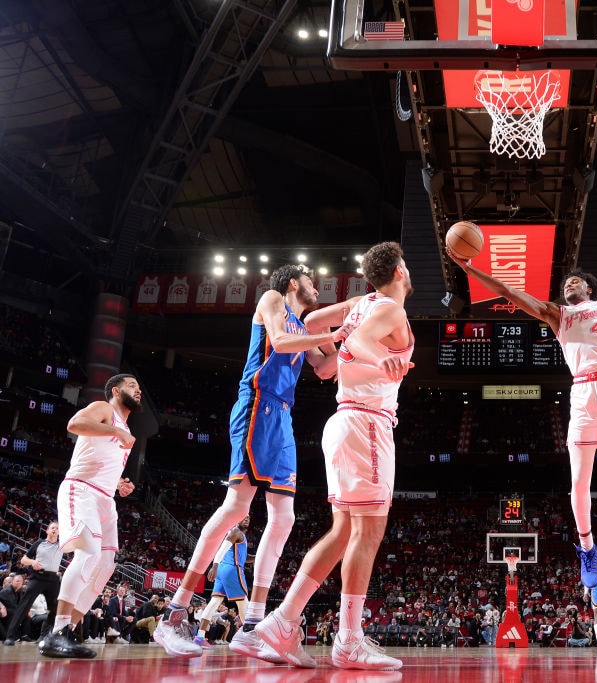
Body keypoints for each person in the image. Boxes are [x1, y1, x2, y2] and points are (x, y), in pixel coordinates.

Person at [450, 241, 597, 592]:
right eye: (565, 285)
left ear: (589, 288)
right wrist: (470, 269)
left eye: (574, 283)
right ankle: (588, 551)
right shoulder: (555, 314)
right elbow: (509, 291)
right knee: (578, 481)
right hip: (582, 392)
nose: (568, 286)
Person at [154, 264, 343, 659]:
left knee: (285, 517)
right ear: (294, 283)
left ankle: (254, 624)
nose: (315, 288)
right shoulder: (273, 300)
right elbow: (280, 340)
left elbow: (326, 369)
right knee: (237, 506)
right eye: (310, 281)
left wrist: (358, 346)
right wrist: (333, 333)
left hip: (283, 416)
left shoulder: (302, 325)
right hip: (258, 404)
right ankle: (173, 614)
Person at [251, 241, 415, 671]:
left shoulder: (363, 302)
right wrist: (383, 358)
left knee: (343, 532)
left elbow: (310, 319)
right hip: (366, 425)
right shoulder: (391, 311)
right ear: (399, 271)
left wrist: (341, 341)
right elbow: (359, 340)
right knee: (368, 533)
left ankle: (283, 622)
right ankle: (348, 640)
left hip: (345, 422)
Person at [37, 373, 140, 659]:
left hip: (105, 499)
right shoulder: (104, 409)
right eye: (132, 386)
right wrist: (116, 433)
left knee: (105, 564)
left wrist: (119, 484)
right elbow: (75, 423)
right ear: (116, 391)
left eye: (139, 387)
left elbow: (101, 459)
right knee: (88, 554)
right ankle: (55, 632)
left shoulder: (125, 425)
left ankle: (67, 631)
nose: (138, 391)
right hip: (81, 489)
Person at [194, 515, 251, 648]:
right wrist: (214, 565)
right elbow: (222, 549)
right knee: (243, 602)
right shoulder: (235, 531)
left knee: (214, 602)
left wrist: (258, 556)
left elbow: (244, 557)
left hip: (224, 570)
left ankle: (200, 636)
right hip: (232, 569)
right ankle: (250, 638)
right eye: (243, 516)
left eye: (248, 517)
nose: (246, 518)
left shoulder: (240, 535)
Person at [4, 521, 64, 646]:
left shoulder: (62, 545)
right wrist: (32, 562)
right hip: (37, 577)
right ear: (47, 530)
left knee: (54, 609)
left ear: (59, 532)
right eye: (52, 527)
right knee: (24, 606)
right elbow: (23, 559)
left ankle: (45, 636)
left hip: (53, 579)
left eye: (57, 528)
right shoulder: (39, 543)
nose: (55, 530)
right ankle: (10, 636)